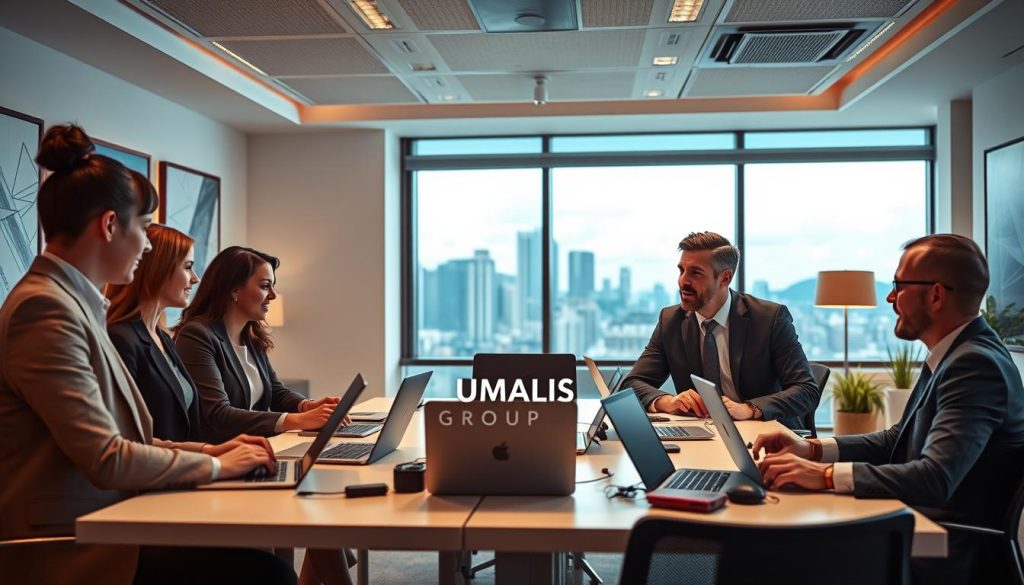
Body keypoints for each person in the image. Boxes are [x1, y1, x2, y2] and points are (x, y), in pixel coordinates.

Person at [0, 124, 293, 584]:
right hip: (72, 543)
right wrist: (217, 465)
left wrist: (211, 450)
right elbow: (108, 456)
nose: (149, 244)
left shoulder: (73, 304)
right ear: (110, 225)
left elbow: (123, 439)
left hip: (110, 518)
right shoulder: (45, 309)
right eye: (142, 228)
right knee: (266, 574)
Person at [752, 234, 1024, 584]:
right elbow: (899, 438)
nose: (889, 297)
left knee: (777, 556)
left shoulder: (974, 365)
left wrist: (824, 477)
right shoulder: (955, 354)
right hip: (920, 526)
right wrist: (813, 450)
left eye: (898, 285)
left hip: (948, 556)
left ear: (936, 295)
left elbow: (934, 478)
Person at [622, 231, 820, 429]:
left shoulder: (769, 318)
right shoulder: (671, 321)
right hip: (706, 434)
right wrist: (668, 401)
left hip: (767, 435)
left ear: (725, 278)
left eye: (695, 273)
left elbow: (807, 391)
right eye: (681, 270)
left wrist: (750, 409)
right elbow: (632, 383)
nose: (683, 281)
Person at [173, 246, 340, 443]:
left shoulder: (250, 335)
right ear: (234, 289)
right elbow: (219, 413)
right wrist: (299, 420)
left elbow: (276, 391)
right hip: (224, 456)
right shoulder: (196, 335)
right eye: (265, 286)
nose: (273, 295)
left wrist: (306, 406)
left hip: (258, 449)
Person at [107, 224, 202, 443]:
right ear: (159, 269)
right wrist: (210, 454)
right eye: (188, 267)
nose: (195, 278)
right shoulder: (120, 339)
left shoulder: (163, 337)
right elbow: (128, 439)